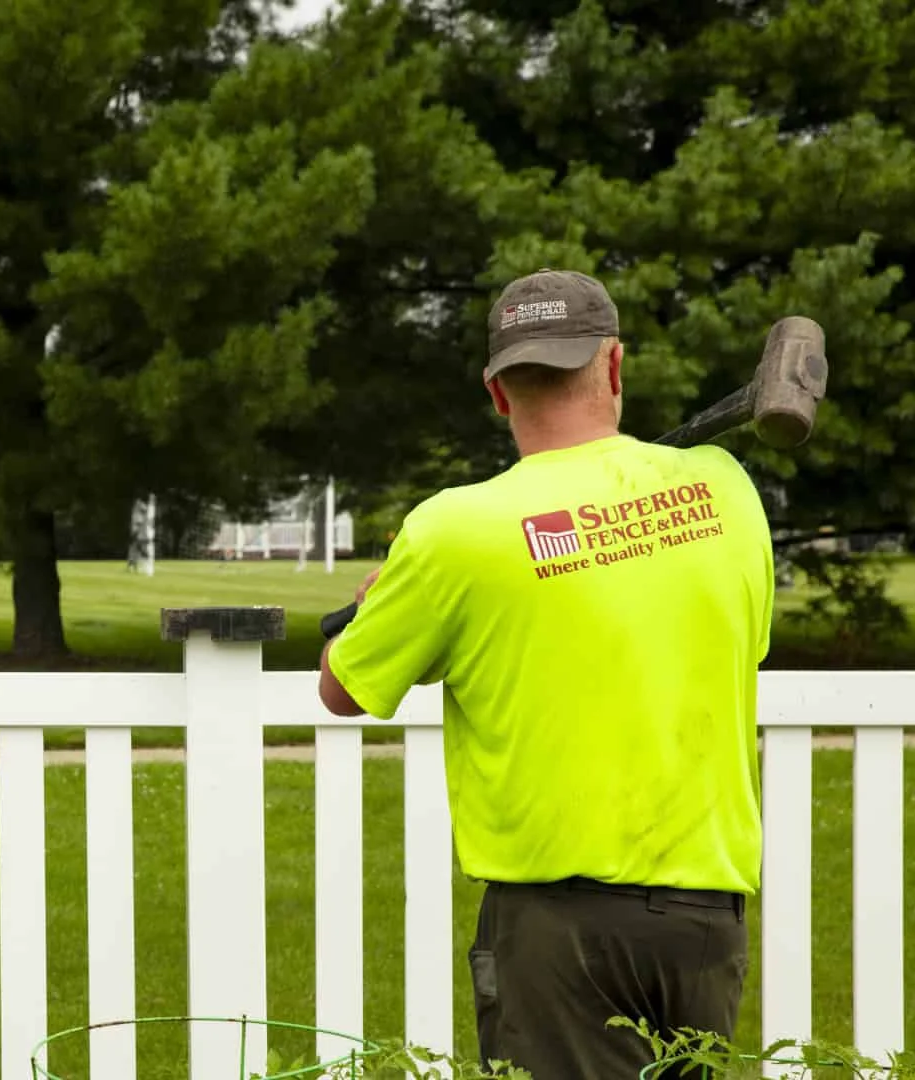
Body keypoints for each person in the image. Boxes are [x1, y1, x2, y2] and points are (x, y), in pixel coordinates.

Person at [318, 268, 777, 1079]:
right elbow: (744, 634)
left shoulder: (453, 532)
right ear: (614, 367)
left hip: (558, 934)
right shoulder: (724, 490)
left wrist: (377, 602)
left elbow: (344, 688)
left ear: (498, 393)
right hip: (705, 923)